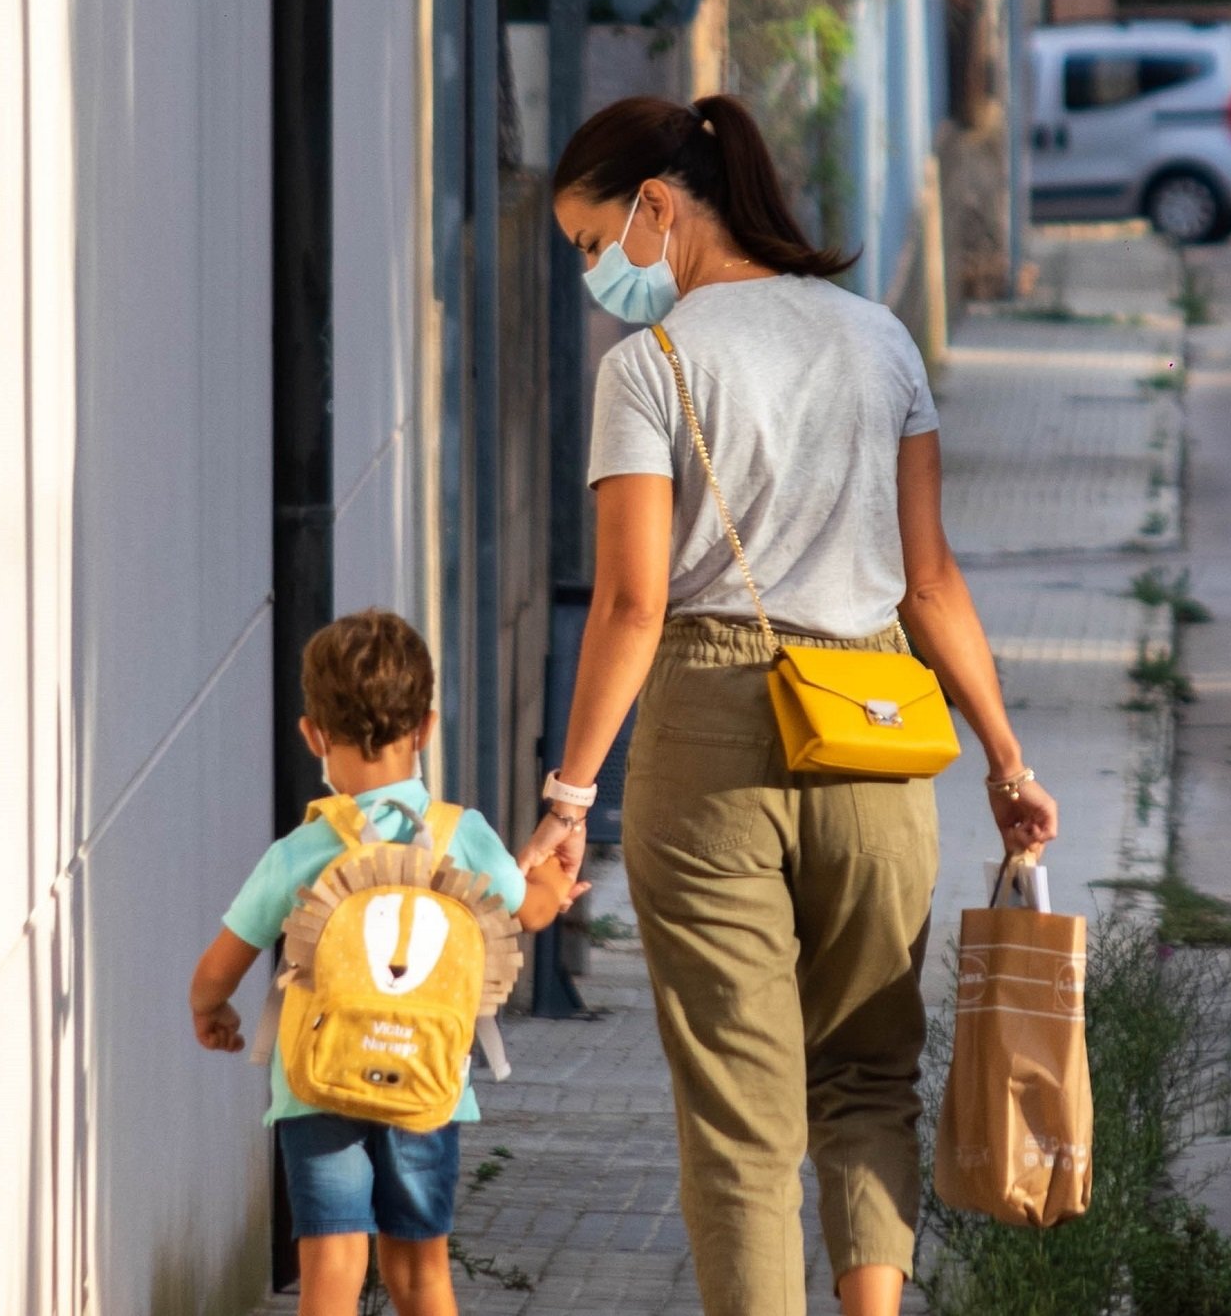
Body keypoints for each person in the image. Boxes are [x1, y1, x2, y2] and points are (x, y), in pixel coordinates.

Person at [521, 94, 1058, 1316]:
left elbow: (630, 606)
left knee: (741, 1110)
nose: (596, 271)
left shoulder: (648, 367)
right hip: (877, 725)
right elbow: (931, 580)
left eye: (592, 241)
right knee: (869, 1077)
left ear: (656, 207)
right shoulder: (879, 340)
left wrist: (568, 795)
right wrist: (1007, 757)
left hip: (712, 740)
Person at [189, 610, 580, 1316]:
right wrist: (555, 877)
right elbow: (533, 909)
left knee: (333, 1268)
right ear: (426, 728)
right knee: (422, 1272)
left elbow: (220, 963)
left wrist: (210, 1009)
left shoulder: (300, 852)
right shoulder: (464, 835)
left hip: (318, 1083)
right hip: (427, 1084)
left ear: (313, 734)